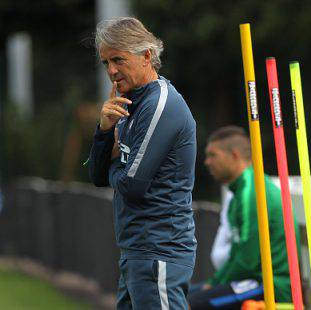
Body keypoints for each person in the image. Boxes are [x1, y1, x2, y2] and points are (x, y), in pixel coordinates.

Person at [88, 17, 196, 309]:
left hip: (159, 251)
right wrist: (104, 131)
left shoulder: (160, 103)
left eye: (118, 60)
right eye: (106, 63)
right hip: (137, 251)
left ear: (147, 56)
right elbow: (97, 177)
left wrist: (114, 164)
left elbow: (132, 185)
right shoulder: (128, 103)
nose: (111, 71)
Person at [188, 126, 297, 309]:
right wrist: (214, 282)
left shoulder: (252, 192)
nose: (207, 162)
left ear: (234, 155)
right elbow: (237, 253)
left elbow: (247, 259)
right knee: (182, 295)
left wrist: (213, 285)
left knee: (191, 303)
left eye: (213, 155)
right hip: (251, 279)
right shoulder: (241, 191)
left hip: (270, 285)